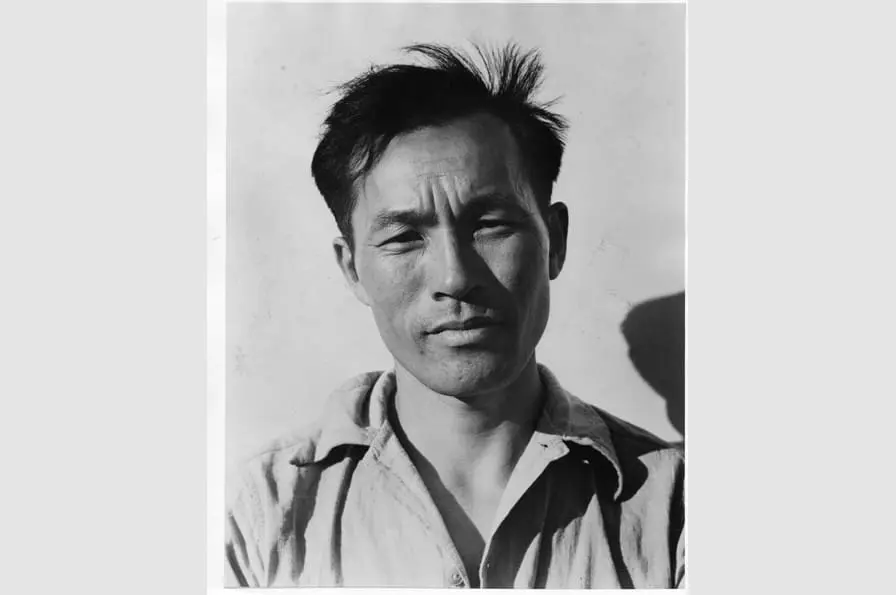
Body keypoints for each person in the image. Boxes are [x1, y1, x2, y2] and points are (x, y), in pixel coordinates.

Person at [225, 42, 685, 589]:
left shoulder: (674, 510)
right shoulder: (260, 514)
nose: (454, 278)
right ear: (352, 270)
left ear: (554, 241)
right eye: (403, 237)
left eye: (490, 224)